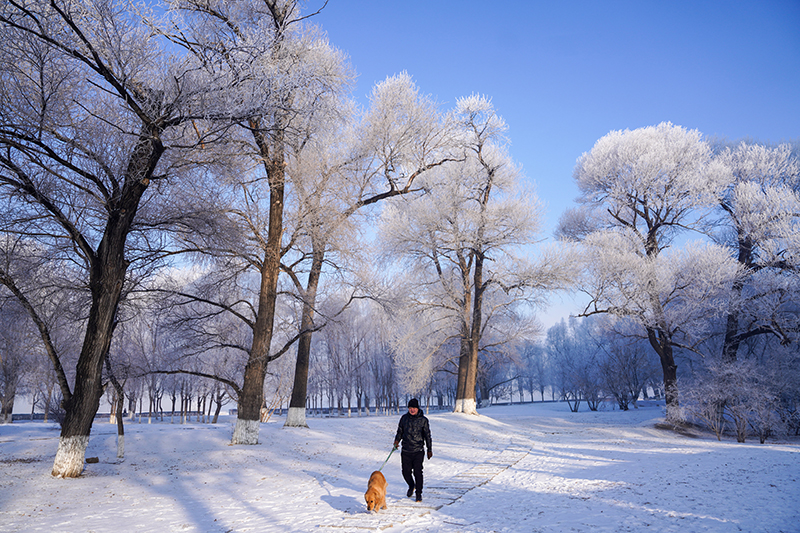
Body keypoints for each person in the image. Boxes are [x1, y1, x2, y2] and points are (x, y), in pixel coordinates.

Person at [393, 398, 432, 502]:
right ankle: (411, 485)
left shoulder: (423, 420)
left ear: (417, 408)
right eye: (410, 408)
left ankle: (418, 493)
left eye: (414, 408)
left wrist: (429, 449)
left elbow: (427, 436)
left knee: (418, 472)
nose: (412, 410)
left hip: (418, 451)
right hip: (406, 450)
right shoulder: (404, 419)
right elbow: (399, 431)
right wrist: (396, 441)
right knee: (405, 472)